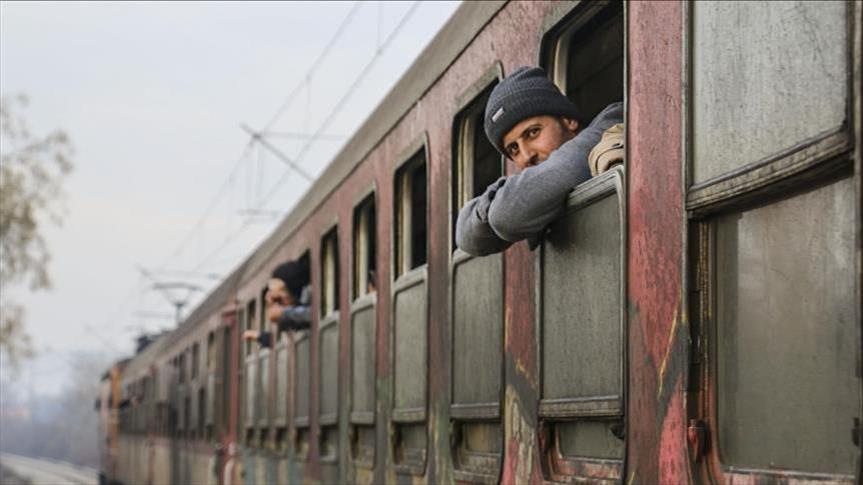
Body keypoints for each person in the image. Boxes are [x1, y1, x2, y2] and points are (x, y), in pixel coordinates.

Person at [455, 66, 624, 257]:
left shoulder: (608, 126)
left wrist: (503, 197)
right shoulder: (535, 186)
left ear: (568, 120)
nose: (526, 155)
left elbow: (506, 216)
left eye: (533, 132)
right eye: (513, 149)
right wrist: (500, 197)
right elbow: (465, 236)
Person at [243, 259, 311, 347]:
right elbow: (279, 341)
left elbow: (313, 314)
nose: (276, 305)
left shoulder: (303, 307)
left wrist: (283, 313)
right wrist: (261, 337)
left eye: (278, 299)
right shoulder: (291, 321)